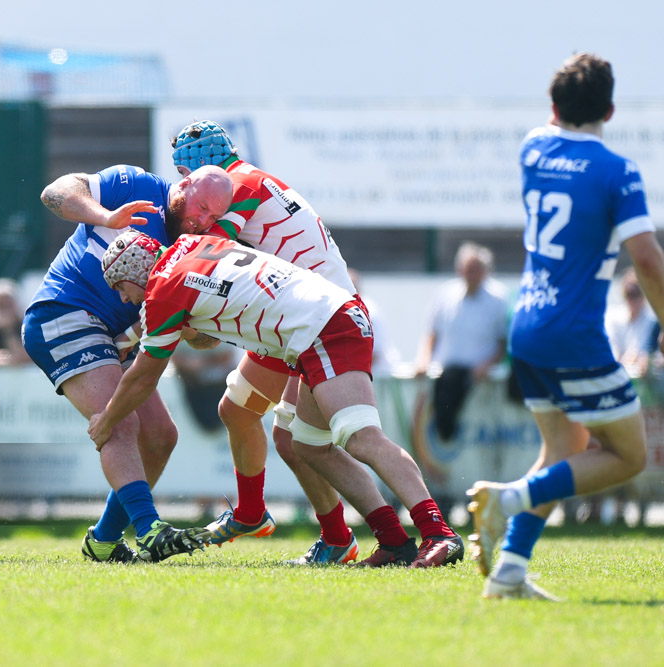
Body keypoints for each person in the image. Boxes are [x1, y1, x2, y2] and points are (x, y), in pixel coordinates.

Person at [89, 231, 464, 569]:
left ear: (136, 272)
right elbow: (210, 325)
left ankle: (439, 532)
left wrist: (105, 420)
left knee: (361, 437)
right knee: (309, 445)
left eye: (121, 287)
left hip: (325, 327)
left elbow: (142, 377)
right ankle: (394, 542)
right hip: (318, 323)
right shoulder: (193, 246)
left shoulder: (162, 289)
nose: (124, 298)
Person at [170, 121, 423, 567]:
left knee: (307, 441)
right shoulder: (248, 178)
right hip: (301, 313)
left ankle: (367, 535)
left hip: (316, 319)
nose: (185, 193)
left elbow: (208, 254)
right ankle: (265, 516)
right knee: (244, 414)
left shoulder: (235, 185)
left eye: (183, 177)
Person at [468, 53, 663, 600]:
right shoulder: (617, 171)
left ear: (553, 107)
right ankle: (509, 500)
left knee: (563, 450)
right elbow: (646, 259)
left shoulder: (534, 148)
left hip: (526, 326)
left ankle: (508, 574)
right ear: (611, 108)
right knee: (628, 455)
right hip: (573, 333)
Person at [22, 163, 232, 562]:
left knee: (161, 437)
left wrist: (190, 324)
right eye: (200, 207)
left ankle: (102, 541)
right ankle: (151, 529)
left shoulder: (201, 247)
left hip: (118, 338)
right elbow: (55, 192)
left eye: (213, 216)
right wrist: (106, 217)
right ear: (183, 185)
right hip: (63, 313)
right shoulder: (137, 186)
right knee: (119, 421)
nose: (202, 221)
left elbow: (205, 339)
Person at [415, 242, 508, 441]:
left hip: (479, 379)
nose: (470, 275)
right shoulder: (445, 294)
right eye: (467, 269)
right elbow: (432, 332)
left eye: (475, 270)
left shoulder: (498, 299)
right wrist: (423, 360)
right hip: (446, 375)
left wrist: (487, 365)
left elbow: (503, 341)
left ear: (485, 271)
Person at [606, 266, 657, 376]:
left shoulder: (653, 320)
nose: (633, 300)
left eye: (636, 294)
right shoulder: (613, 317)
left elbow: (646, 350)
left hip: (646, 374)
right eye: (630, 294)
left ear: (643, 295)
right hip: (620, 370)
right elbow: (612, 349)